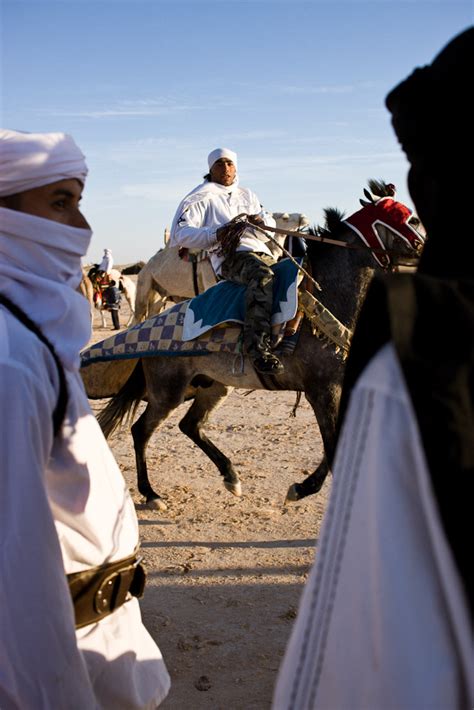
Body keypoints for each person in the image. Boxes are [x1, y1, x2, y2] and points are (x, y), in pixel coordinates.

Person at [273, 27, 473, 709]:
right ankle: (270, 337)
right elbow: (195, 233)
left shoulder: (410, 363)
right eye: (226, 170)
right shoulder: (202, 201)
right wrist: (235, 225)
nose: (230, 176)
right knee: (267, 274)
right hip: (223, 247)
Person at [0, 129, 170, 708]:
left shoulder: (27, 340)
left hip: (99, 640)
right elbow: (12, 567)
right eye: (59, 202)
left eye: (77, 201)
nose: (81, 227)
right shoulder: (11, 361)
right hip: (60, 654)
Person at [169, 147, 284, 374]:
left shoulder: (248, 195)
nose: (226, 168)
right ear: (210, 169)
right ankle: (257, 349)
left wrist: (262, 222)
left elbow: (268, 225)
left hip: (262, 251)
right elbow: (180, 233)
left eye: (230, 164)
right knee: (262, 277)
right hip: (231, 257)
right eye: (220, 164)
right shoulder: (199, 197)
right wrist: (216, 234)